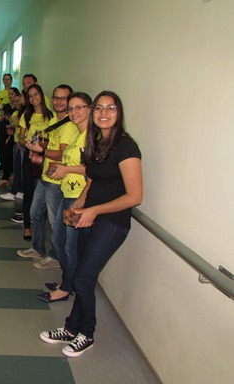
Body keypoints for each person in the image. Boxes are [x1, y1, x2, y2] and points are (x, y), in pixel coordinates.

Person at [39, 90, 143, 357]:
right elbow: (93, 178)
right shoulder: (98, 142)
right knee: (83, 276)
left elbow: (135, 196)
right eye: (99, 108)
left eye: (111, 108)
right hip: (89, 217)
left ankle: (87, 333)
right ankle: (71, 327)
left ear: (119, 114)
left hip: (112, 223)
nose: (104, 113)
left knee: (83, 280)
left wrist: (94, 210)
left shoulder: (126, 146)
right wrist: (78, 205)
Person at [36, 92, 91, 302]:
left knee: (69, 246)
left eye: (79, 107)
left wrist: (66, 170)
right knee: (59, 241)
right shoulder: (78, 134)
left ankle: (67, 287)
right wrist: (63, 168)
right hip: (67, 193)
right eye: (71, 108)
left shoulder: (90, 137)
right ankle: (67, 280)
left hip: (79, 197)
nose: (74, 112)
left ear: (90, 109)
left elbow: (93, 169)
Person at [17, 85, 77, 271]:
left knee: (55, 222)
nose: (59, 101)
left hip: (57, 181)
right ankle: (38, 248)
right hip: (45, 177)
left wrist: (40, 150)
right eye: (56, 97)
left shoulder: (68, 125)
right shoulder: (54, 122)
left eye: (63, 98)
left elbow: (61, 153)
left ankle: (56, 257)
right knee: (35, 213)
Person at [18, 83, 57, 241]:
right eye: (30, 96)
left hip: (46, 156)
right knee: (28, 191)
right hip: (30, 156)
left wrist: (42, 146)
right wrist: (27, 143)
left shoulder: (52, 117)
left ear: (42, 95)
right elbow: (20, 138)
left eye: (36, 94)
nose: (33, 98)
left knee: (44, 191)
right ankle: (27, 225)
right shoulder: (26, 116)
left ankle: (41, 221)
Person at [0, 73, 13, 171]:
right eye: (4, 79)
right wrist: (4, 108)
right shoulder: (0, 94)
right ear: (2, 81)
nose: (6, 81)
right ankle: (2, 163)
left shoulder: (14, 92)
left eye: (8, 79)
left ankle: (10, 165)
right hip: (2, 121)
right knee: (1, 143)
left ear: (11, 81)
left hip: (12, 122)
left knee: (10, 144)